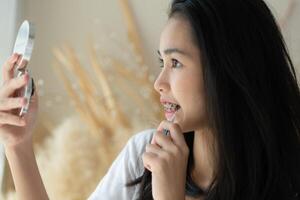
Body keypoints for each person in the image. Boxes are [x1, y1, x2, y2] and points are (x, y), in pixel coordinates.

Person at [1, 0, 300, 199]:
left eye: (176, 63)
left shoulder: (287, 184)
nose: (159, 83)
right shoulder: (143, 156)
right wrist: (18, 145)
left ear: (228, 69)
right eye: (162, 63)